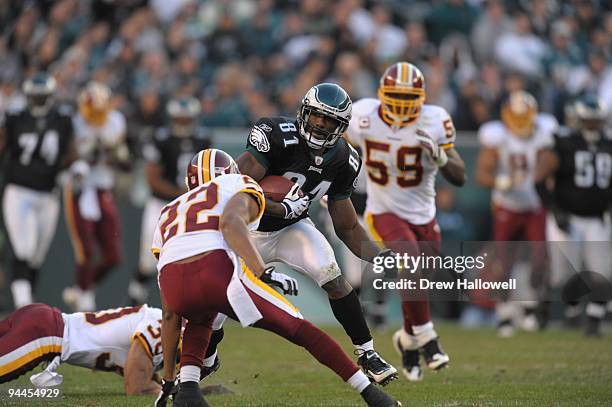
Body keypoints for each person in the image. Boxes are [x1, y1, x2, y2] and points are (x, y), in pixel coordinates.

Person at [154, 148, 400, 407]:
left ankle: (186, 385)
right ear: (231, 172)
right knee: (298, 327)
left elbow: (170, 313)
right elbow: (231, 223)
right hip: (217, 270)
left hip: (176, 284)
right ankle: (371, 395)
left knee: (201, 318)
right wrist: (263, 270)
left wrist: (167, 378)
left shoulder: (169, 211)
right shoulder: (237, 182)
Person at [225, 82, 397, 385]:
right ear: (304, 112)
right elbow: (236, 186)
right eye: (316, 115)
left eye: (329, 120)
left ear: (341, 126)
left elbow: (347, 226)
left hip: (293, 228)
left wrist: (379, 256)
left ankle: (367, 352)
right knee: (216, 301)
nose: (319, 124)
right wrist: (280, 208)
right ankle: (198, 363)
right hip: (247, 228)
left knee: (333, 277)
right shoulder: (275, 134)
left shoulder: (345, 159)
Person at [346, 62, 466, 382]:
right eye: (394, 97)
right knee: (410, 263)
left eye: (408, 97)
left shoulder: (435, 118)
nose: (400, 104)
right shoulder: (363, 115)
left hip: (424, 215)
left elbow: (460, 175)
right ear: (381, 95)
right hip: (382, 210)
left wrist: (440, 155)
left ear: (422, 98)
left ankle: (407, 341)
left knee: (418, 280)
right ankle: (428, 339)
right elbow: (335, 140)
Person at [476, 90, 558, 337]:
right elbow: (482, 174)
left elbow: (550, 160)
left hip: (534, 204)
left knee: (539, 257)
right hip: (507, 205)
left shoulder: (543, 133)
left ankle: (530, 308)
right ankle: (505, 314)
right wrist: (498, 181)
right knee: (504, 260)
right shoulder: (498, 137)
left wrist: (539, 175)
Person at [535, 95, 612, 336]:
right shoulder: (563, 142)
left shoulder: (608, 144)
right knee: (562, 275)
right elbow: (538, 179)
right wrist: (555, 209)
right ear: (578, 120)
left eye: (596, 121)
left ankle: (593, 321)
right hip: (568, 217)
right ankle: (546, 304)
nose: (592, 126)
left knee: (602, 272)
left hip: (598, 217)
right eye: (588, 121)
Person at [0, 73, 77, 309]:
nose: (38, 101)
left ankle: (27, 305)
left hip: (48, 194)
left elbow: (71, 152)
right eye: (35, 97)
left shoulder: (62, 119)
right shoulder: (15, 118)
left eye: (42, 97)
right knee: (24, 248)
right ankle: (24, 305)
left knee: (36, 256)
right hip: (19, 190)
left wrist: (69, 167)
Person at [128, 96, 212, 305]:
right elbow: (153, 179)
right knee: (148, 261)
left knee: (191, 259)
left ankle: (188, 308)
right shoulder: (160, 138)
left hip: (190, 206)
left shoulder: (203, 139)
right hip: (162, 205)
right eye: (180, 119)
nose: (184, 123)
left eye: (187, 119)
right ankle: (134, 306)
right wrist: (181, 193)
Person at [62, 81, 130, 312]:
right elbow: (65, 159)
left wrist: (113, 153)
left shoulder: (116, 121)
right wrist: (85, 158)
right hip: (80, 188)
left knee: (113, 256)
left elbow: (125, 163)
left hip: (104, 187)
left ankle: (83, 289)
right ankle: (85, 298)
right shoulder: (73, 123)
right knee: (86, 249)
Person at [0, 303, 164, 395]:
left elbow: (145, 369)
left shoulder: (159, 323)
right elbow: (136, 387)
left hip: (44, 319)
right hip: (46, 334)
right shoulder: (167, 330)